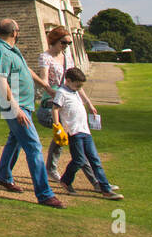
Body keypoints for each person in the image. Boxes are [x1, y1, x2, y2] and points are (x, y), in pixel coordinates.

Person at [0, 20, 64, 208]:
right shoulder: (1, 52)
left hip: (24, 105)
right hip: (16, 107)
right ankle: (44, 194)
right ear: (15, 32)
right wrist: (16, 109)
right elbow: (1, 80)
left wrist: (45, 85)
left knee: (14, 142)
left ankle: (3, 175)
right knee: (33, 146)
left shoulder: (12, 50)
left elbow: (26, 69)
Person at [37, 27, 100, 187]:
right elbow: (44, 80)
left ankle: (51, 168)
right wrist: (55, 94)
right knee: (74, 137)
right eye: (63, 42)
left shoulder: (67, 58)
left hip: (69, 101)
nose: (66, 46)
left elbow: (76, 84)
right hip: (52, 104)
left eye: (69, 43)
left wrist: (88, 103)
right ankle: (97, 182)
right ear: (54, 40)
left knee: (66, 136)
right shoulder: (45, 57)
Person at [53, 67, 124, 200]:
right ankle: (66, 181)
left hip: (85, 130)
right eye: (77, 84)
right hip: (74, 131)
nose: (79, 87)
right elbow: (55, 108)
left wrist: (90, 105)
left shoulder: (75, 91)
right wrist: (57, 126)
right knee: (79, 160)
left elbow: (81, 99)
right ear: (68, 81)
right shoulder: (62, 92)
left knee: (95, 160)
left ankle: (105, 189)